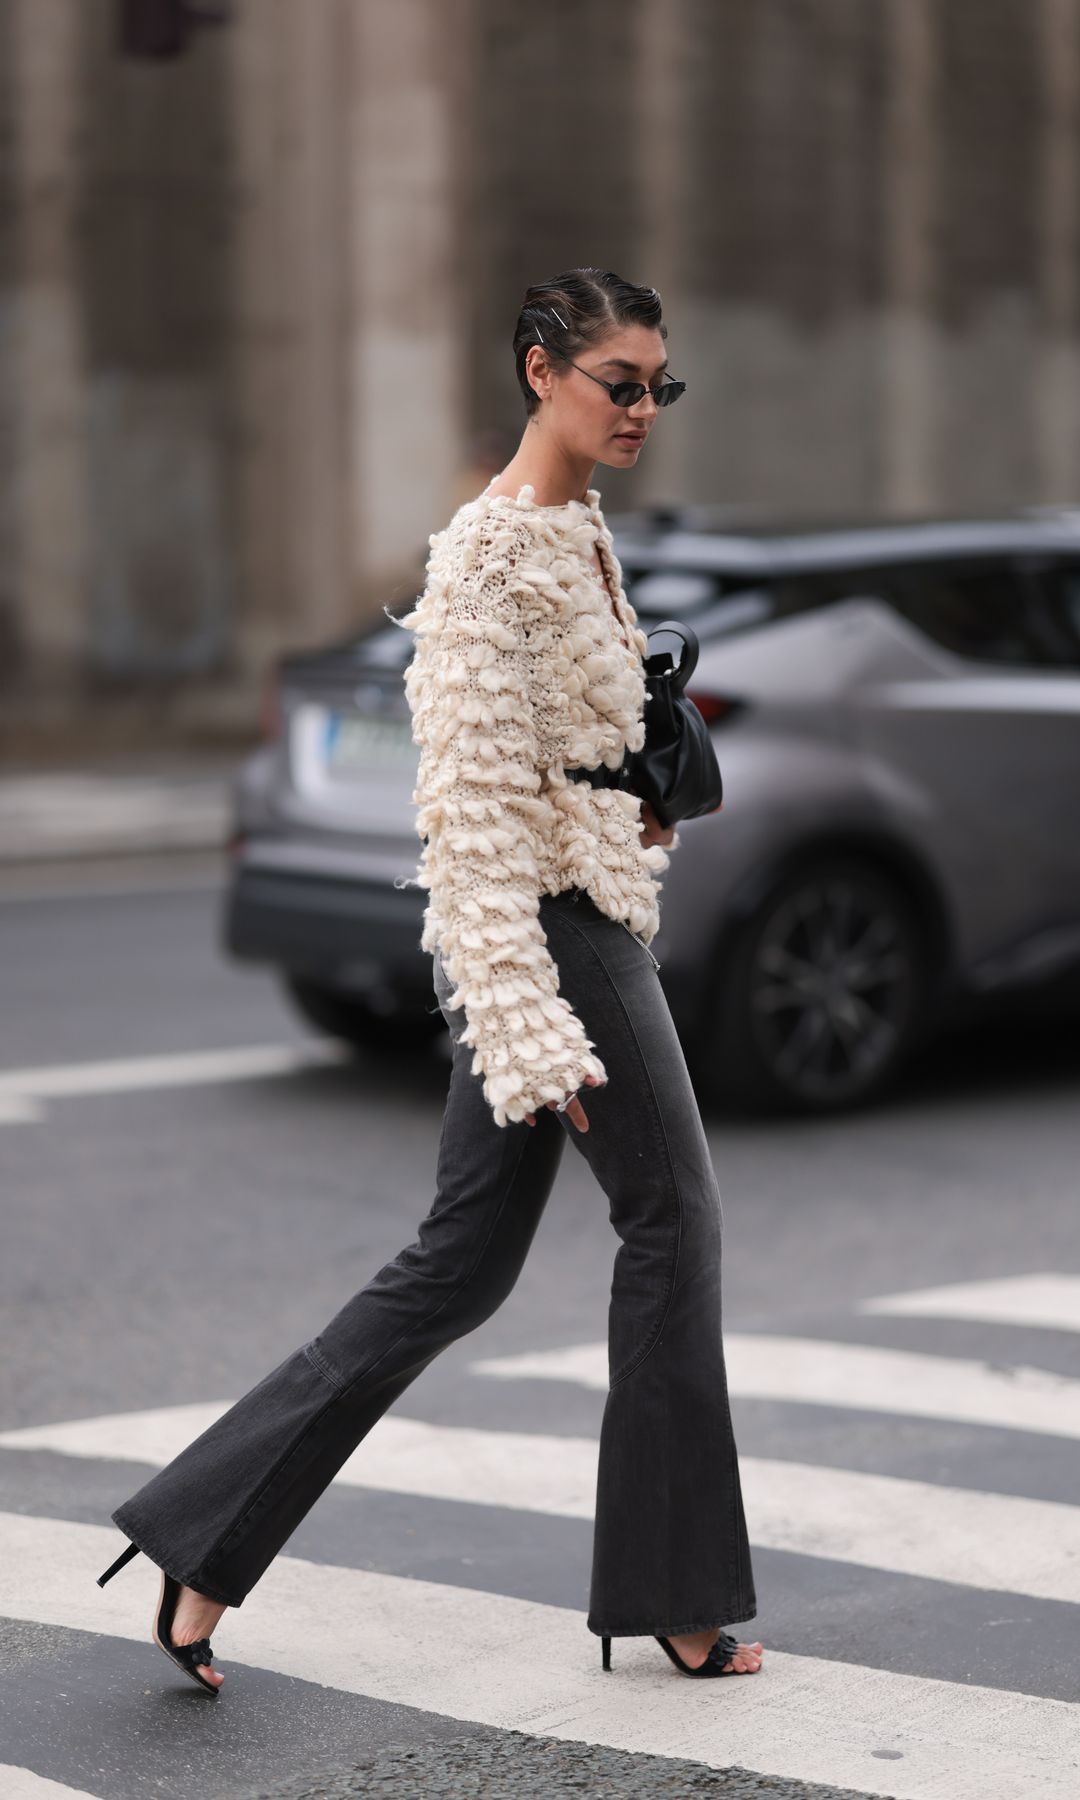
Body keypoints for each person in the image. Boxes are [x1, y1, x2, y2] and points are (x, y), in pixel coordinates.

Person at [97, 266, 763, 1693]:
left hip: (582, 905)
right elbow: (463, 819)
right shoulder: (485, 556)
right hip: (544, 938)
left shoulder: (579, 528)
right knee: (675, 1227)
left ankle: (198, 1539)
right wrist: (523, 1019)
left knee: (454, 1269)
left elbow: (565, 756)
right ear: (541, 369)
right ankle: (679, 1595)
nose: (645, 407)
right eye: (620, 383)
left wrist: (638, 787)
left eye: (661, 385)